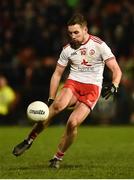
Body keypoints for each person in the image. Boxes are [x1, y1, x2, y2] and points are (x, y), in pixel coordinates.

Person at [12, 13, 122, 168]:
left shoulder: (99, 45)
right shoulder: (67, 49)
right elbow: (57, 74)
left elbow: (116, 69)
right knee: (55, 107)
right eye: (70, 33)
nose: (73, 36)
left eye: (76, 32)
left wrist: (115, 84)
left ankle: (57, 157)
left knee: (72, 123)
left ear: (85, 30)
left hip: (92, 89)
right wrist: (51, 97)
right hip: (74, 83)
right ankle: (28, 140)